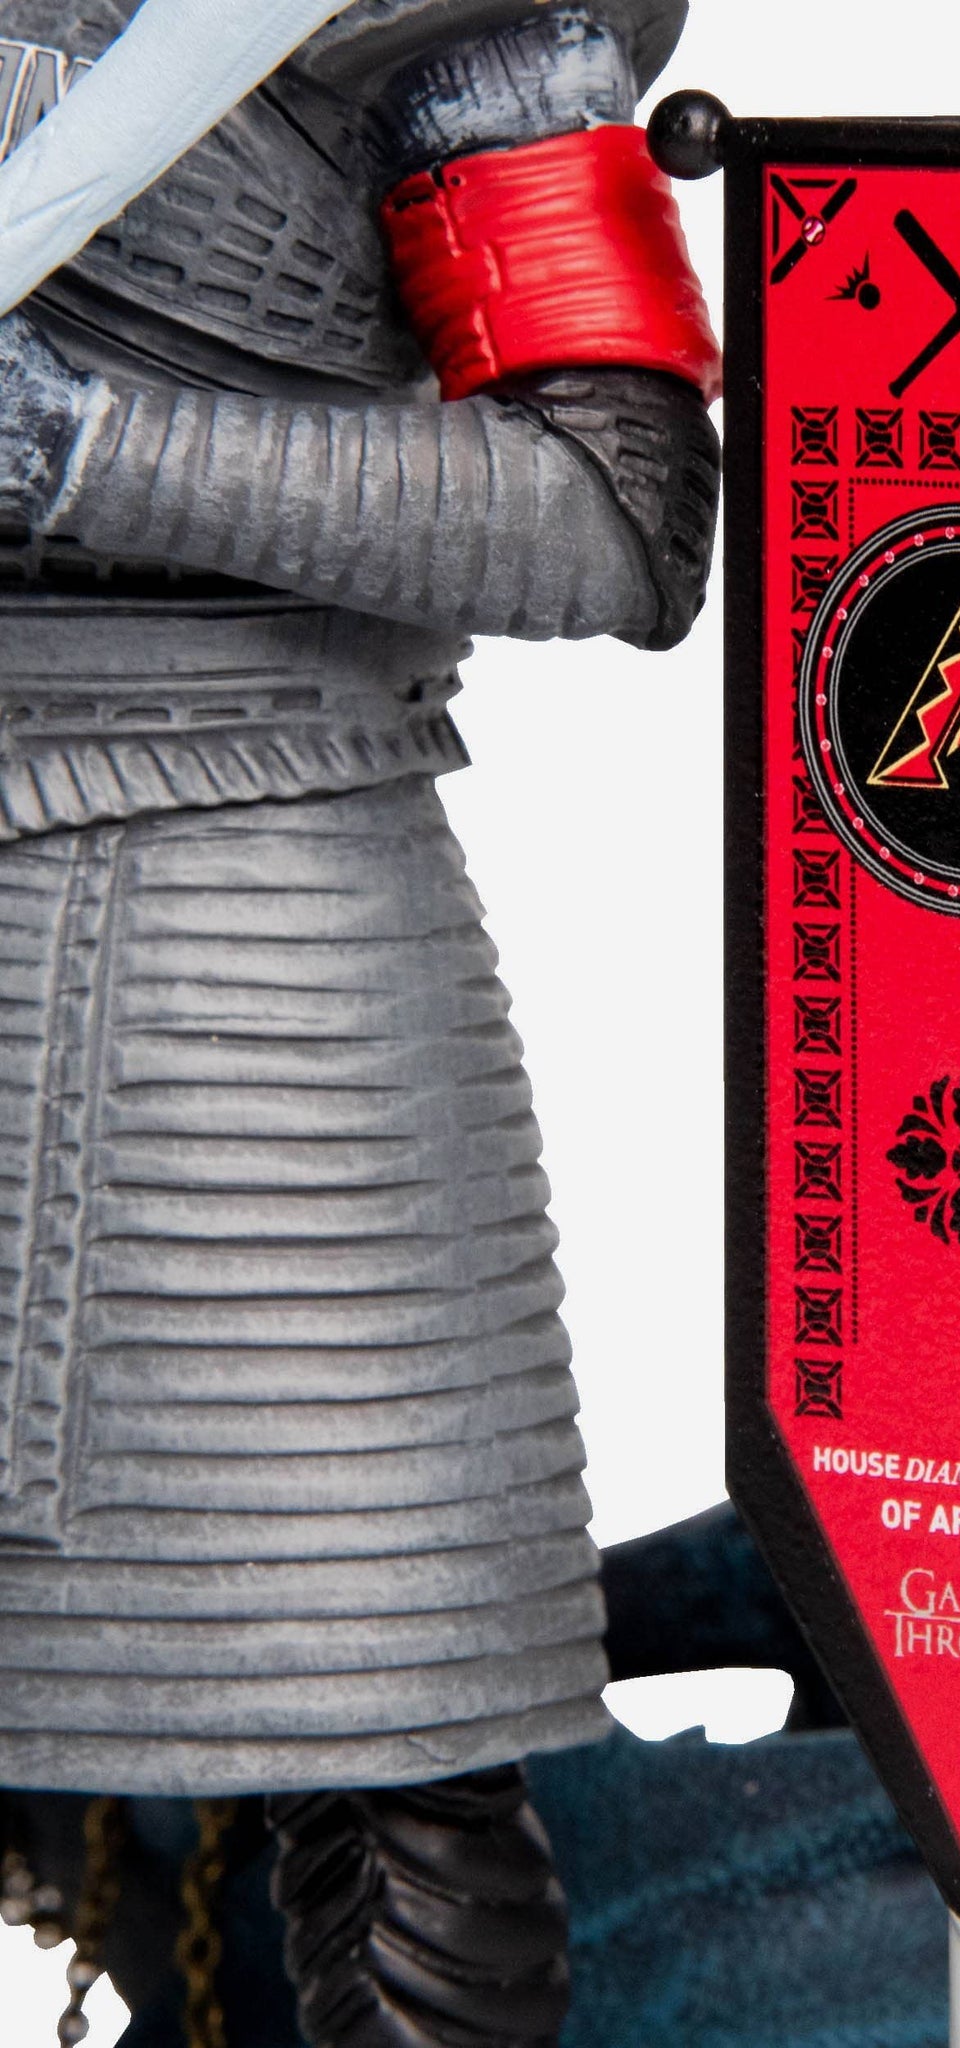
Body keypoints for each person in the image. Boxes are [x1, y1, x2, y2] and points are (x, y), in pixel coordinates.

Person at [0, 3, 717, 2039]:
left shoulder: (462, 39)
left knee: (388, 1728)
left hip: (250, 889)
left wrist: (88, 445)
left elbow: (614, 518)